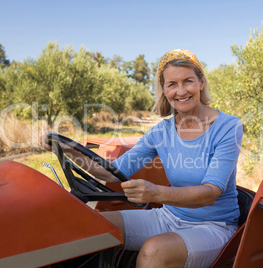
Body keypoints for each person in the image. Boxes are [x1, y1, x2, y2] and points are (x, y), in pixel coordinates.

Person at [41, 49, 243, 268]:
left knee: (154, 251)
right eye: (172, 84)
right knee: (89, 225)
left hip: (213, 226)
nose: (181, 91)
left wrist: (155, 192)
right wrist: (66, 149)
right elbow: (110, 171)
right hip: (168, 217)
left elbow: (210, 193)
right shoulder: (161, 132)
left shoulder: (227, 126)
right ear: (164, 90)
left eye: (188, 81)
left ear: (201, 83)